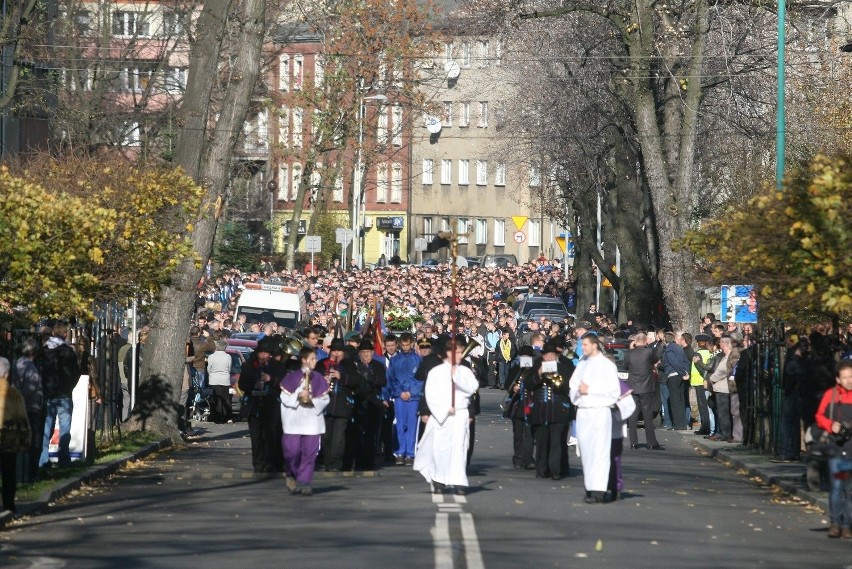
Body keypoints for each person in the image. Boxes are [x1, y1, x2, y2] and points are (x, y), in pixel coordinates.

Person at [414, 339, 479, 495]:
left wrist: (458, 378)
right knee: (441, 448)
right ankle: (439, 479)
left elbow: (472, 388)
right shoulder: (435, 372)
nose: (457, 355)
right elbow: (430, 394)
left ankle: (459, 481)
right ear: (447, 353)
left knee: (459, 447)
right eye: (454, 352)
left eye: (459, 352)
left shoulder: (465, 371)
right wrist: (443, 409)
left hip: (460, 414)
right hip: (442, 416)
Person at [569, 332, 621, 504]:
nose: (582, 348)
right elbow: (573, 384)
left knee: (599, 451)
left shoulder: (607, 365)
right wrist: (578, 392)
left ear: (594, 345)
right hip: (583, 411)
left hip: (599, 411)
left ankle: (599, 490)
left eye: (585, 345)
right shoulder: (582, 364)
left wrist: (590, 389)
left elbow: (614, 391)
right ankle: (589, 488)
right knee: (586, 450)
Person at [279, 347, 330, 496]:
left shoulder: (318, 378)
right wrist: (298, 395)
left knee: (309, 453)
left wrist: (313, 399)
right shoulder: (292, 377)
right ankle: (291, 474)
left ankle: (305, 481)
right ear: (304, 360)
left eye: (315, 358)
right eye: (313, 358)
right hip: (293, 421)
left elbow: (325, 398)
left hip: (312, 422)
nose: (315, 361)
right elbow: (284, 398)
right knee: (292, 452)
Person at [814, 360, 852, 539]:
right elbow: (819, 416)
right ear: (838, 379)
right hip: (836, 450)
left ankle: (847, 525)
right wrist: (831, 426)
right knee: (837, 486)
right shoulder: (831, 394)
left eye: (851, 376)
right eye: (845, 377)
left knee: (850, 489)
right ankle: (835, 522)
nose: (849, 380)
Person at [527, 342, 574, 480]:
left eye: (552, 355)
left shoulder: (564, 367)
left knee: (556, 441)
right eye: (546, 355)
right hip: (540, 410)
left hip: (559, 410)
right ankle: (541, 469)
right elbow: (528, 384)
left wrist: (557, 377)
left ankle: (555, 470)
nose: (549, 358)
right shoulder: (537, 365)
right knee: (541, 441)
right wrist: (539, 374)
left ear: (556, 356)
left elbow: (569, 388)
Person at [316, 338, 362, 472]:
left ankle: (336, 464)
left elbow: (356, 381)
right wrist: (323, 380)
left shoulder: (349, 365)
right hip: (325, 406)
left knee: (338, 438)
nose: (336, 353)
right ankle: (328, 462)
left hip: (342, 406)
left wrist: (341, 376)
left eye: (339, 351)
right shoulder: (321, 364)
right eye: (334, 350)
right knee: (326, 437)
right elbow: (313, 381)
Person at [40, 323, 81, 468]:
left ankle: (43, 460)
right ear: (65, 334)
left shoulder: (44, 351)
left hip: (49, 394)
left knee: (46, 427)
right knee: (65, 428)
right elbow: (75, 373)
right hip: (64, 394)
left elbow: (41, 371)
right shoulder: (67, 352)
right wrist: (68, 386)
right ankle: (64, 459)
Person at [238, 338, 278, 473]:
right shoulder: (249, 365)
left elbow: (284, 381)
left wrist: (271, 379)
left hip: (270, 406)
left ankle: (269, 463)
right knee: (256, 438)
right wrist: (253, 384)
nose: (263, 356)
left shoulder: (276, 366)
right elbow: (241, 384)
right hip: (254, 406)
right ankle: (258, 464)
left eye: (266, 353)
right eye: (261, 353)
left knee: (269, 437)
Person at [0, 357, 31, 514]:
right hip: (9, 439)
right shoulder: (14, 394)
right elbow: (22, 419)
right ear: (6, 374)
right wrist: (25, 439)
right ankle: (8, 504)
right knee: (9, 473)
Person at [387, 333, 422, 466]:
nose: (406, 347)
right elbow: (391, 378)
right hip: (400, 397)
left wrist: (412, 392)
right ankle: (400, 452)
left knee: (412, 426)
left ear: (412, 344)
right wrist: (399, 392)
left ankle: (410, 454)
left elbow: (421, 379)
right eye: (403, 345)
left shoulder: (418, 359)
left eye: (408, 345)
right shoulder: (395, 360)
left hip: (413, 398)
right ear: (400, 345)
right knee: (401, 425)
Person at [625, 333, 662, 450]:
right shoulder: (649, 352)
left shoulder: (629, 354)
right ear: (645, 341)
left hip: (633, 386)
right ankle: (651, 442)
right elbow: (655, 360)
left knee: (633, 415)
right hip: (646, 386)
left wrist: (631, 348)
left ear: (635, 341)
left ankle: (633, 442)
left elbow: (625, 366)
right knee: (647, 415)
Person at [13, 338, 43, 480]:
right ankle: (29, 474)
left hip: (22, 407)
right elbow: (31, 387)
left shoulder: (17, 363)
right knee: (33, 443)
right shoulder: (29, 366)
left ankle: (24, 473)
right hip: (31, 408)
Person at [206, 339, 233, 424]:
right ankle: (227, 416)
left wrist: (212, 373)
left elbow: (209, 368)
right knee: (226, 398)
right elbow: (229, 368)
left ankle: (217, 417)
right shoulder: (228, 357)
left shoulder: (211, 357)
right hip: (225, 379)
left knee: (216, 398)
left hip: (214, 379)